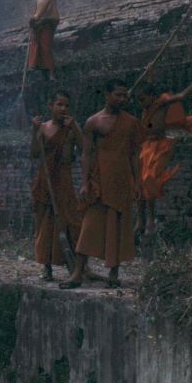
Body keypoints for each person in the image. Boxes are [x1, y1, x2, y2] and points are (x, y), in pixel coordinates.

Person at [61, 79, 142, 289]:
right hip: (99, 179)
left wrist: (137, 182)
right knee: (89, 225)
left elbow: (134, 154)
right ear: (107, 95)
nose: (123, 99)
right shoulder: (93, 122)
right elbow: (87, 154)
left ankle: (114, 274)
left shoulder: (131, 122)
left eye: (125, 95)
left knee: (118, 226)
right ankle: (78, 272)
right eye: (118, 95)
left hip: (121, 179)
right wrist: (85, 182)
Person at [136, 67, 192, 238]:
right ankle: (140, 221)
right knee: (139, 182)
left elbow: (181, 96)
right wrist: (150, 73)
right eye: (139, 101)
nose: (141, 104)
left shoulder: (161, 102)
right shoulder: (145, 108)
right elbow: (149, 85)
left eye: (143, 100)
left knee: (150, 179)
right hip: (146, 146)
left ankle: (149, 220)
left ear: (151, 97)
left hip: (161, 146)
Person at [31, 91, 83, 281]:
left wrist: (75, 129)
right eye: (59, 105)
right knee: (45, 224)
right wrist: (33, 131)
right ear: (50, 106)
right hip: (45, 180)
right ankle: (47, 268)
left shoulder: (71, 127)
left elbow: (85, 149)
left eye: (66, 105)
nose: (63, 109)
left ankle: (77, 267)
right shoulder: (43, 128)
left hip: (64, 179)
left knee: (72, 220)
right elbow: (35, 154)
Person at [26, 0, 60, 85]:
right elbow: (36, 14)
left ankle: (51, 74)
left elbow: (53, 15)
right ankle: (42, 74)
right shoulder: (38, 0)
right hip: (37, 27)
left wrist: (43, 21)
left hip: (46, 27)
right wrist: (32, 20)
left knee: (46, 49)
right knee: (37, 49)